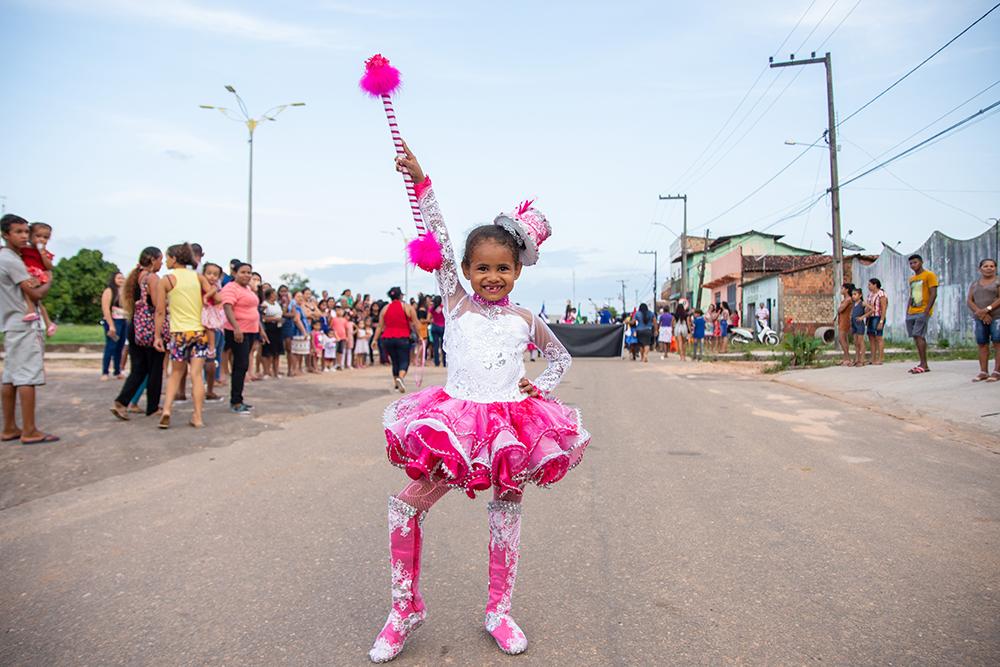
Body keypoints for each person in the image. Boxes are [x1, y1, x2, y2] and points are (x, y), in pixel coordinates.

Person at [368, 144, 589, 662]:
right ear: (464, 270)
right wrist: (423, 185)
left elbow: (560, 360)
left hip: (509, 430)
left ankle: (499, 610)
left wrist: (542, 388)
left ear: (518, 271)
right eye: (482, 268)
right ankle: (405, 608)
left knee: (506, 511)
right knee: (406, 505)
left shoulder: (525, 320)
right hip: (456, 426)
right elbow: (439, 239)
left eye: (503, 268)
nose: (492, 276)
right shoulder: (456, 303)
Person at [0, 214, 58, 444]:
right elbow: (35, 293)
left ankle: (9, 427)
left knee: (10, 377)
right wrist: (49, 279)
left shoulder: (7, 257)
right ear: (6, 234)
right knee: (27, 378)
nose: (25, 237)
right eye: (19, 232)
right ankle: (30, 430)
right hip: (25, 325)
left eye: (26, 232)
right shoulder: (12, 260)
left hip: (12, 323)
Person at [154, 243, 216, 429]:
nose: (165, 261)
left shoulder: (167, 280)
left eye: (167, 257)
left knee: (176, 374)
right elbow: (216, 295)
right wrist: (207, 297)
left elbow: (159, 311)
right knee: (197, 375)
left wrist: (157, 335)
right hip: (199, 332)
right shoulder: (198, 277)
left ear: (174, 258)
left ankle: (166, 410)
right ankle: (197, 416)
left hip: (179, 333)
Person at [112, 247, 166, 419]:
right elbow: (158, 307)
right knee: (155, 369)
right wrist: (158, 335)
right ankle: (153, 407)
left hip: (135, 326)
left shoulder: (136, 277)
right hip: (150, 328)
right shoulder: (152, 278)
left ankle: (121, 402)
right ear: (152, 260)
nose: (162, 263)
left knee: (139, 368)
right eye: (160, 259)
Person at [219, 262, 260, 415]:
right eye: (243, 272)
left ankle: (239, 399)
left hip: (251, 330)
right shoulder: (230, 287)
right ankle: (235, 401)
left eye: (249, 272)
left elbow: (253, 309)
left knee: (243, 365)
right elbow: (228, 307)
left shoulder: (248, 288)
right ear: (235, 273)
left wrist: (260, 329)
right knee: (240, 365)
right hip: (238, 331)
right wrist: (236, 327)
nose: (247, 275)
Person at [373, 285, 420, 392]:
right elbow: (416, 323)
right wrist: (421, 336)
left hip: (387, 339)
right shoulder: (407, 307)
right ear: (400, 296)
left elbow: (380, 326)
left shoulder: (385, 308)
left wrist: (374, 340)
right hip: (403, 337)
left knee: (395, 361)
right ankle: (401, 378)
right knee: (404, 360)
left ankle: (396, 384)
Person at [19, 222, 57, 336]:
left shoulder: (45, 253)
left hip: (40, 275)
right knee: (37, 300)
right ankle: (48, 322)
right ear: (30, 237)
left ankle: (31, 311)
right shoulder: (24, 249)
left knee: (29, 292)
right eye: (38, 236)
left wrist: (42, 253)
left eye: (45, 237)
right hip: (29, 273)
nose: (41, 240)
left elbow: (49, 267)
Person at [968, 258, 1000, 382]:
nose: (989, 268)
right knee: (982, 343)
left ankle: (997, 372)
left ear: (995, 268)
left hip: (997, 317)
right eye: (986, 266)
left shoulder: (998, 282)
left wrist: (987, 309)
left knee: (997, 343)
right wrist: (980, 313)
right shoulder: (975, 284)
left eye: (992, 266)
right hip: (979, 318)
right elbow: (969, 300)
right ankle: (983, 371)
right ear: (980, 269)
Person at [906, 254, 938, 374]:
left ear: (921, 262)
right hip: (912, 311)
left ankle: (924, 364)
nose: (913, 265)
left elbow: (933, 293)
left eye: (915, 262)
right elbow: (912, 295)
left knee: (919, 335)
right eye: (911, 263)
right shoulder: (912, 279)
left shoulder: (929, 275)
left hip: (923, 310)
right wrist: (907, 309)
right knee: (915, 336)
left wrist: (927, 310)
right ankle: (921, 363)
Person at [200, 263, 227, 401]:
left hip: (212, 315)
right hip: (204, 315)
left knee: (214, 350)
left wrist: (205, 297)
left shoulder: (216, 286)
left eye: (215, 274)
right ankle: (207, 388)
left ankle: (210, 388)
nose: (212, 276)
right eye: (209, 273)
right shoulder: (200, 282)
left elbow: (215, 294)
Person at [100, 271, 128, 380]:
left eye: (122, 278)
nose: (121, 280)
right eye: (119, 278)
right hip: (113, 321)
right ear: (114, 279)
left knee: (120, 347)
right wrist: (111, 325)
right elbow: (106, 309)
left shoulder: (124, 292)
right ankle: (105, 372)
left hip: (123, 320)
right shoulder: (109, 291)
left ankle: (117, 371)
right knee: (110, 346)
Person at [260, 288, 284, 379]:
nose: (276, 295)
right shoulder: (265, 304)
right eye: (274, 294)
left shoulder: (277, 304)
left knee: (277, 352)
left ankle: (276, 372)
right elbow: (262, 317)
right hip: (269, 328)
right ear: (270, 295)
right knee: (268, 351)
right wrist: (274, 319)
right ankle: (266, 371)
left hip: (278, 328)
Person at [866, 278, 888, 365]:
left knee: (879, 337)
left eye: (870, 284)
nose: (868, 286)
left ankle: (881, 358)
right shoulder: (870, 294)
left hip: (878, 317)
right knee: (871, 337)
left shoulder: (881, 294)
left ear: (875, 285)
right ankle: (873, 358)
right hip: (870, 317)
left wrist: (881, 320)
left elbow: (883, 307)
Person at [850, 288, 870, 367]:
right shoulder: (853, 304)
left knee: (860, 342)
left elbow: (872, 309)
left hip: (859, 324)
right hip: (854, 323)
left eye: (855, 294)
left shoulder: (862, 303)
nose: (853, 296)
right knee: (855, 342)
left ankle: (862, 360)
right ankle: (857, 359)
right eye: (852, 294)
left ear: (860, 295)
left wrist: (863, 317)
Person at [835, 283, 854, 366]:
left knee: (842, 339)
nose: (841, 290)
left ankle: (847, 358)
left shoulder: (848, 299)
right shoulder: (845, 299)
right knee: (843, 339)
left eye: (843, 288)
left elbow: (840, 309)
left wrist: (839, 308)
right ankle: (845, 358)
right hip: (842, 319)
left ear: (847, 290)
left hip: (845, 320)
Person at [429, 295, 446, 367]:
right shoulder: (443, 307)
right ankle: (444, 362)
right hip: (442, 327)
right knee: (443, 345)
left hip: (434, 327)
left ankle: (437, 362)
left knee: (435, 346)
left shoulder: (432, 309)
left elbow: (428, 318)